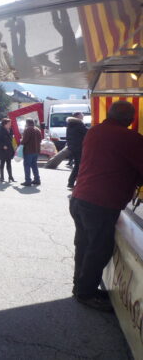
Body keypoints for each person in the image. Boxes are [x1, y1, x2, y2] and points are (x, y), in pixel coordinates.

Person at [70, 101, 143, 312]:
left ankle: (81, 287)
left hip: (80, 198)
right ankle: (86, 293)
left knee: (84, 246)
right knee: (99, 249)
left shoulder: (94, 131)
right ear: (130, 119)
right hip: (100, 202)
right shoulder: (130, 138)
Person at [66, 112, 88, 189]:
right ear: (77, 116)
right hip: (79, 147)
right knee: (79, 166)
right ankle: (72, 182)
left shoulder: (71, 124)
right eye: (82, 115)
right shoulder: (79, 124)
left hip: (73, 147)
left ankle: (72, 182)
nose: (83, 116)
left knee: (78, 165)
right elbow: (87, 133)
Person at [20, 118, 42, 186]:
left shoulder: (28, 129)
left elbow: (24, 141)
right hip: (36, 150)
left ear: (27, 123)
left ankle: (28, 180)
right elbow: (40, 140)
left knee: (27, 165)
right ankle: (37, 179)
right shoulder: (37, 129)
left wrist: (20, 141)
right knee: (34, 165)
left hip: (29, 150)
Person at [0, 118, 15, 182]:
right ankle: (1, 177)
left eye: (10, 123)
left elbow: (11, 139)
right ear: (5, 124)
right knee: (2, 163)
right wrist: (3, 146)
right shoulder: (0, 131)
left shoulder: (10, 130)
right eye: (9, 123)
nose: (10, 124)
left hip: (9, 149)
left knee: (9, 163)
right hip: (2, 150)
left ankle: (10, 177)